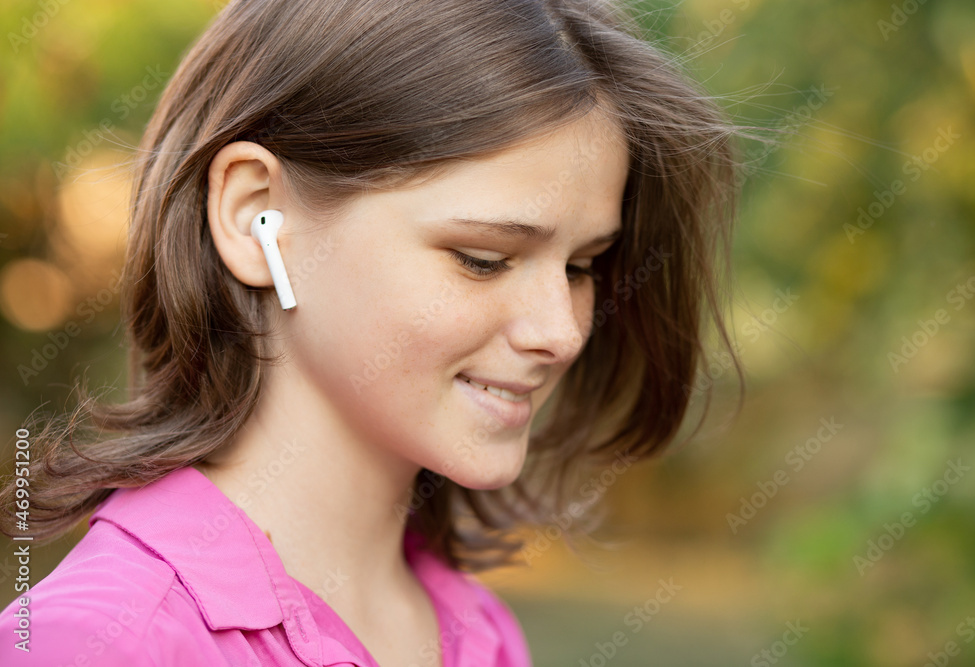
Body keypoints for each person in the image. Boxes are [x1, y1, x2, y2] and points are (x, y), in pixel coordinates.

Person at [0, 0, 740, 664]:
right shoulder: (93, 643)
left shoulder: (480, 630)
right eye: (483, 259)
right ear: (259, 220)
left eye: (581, 266)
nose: (562, 330)